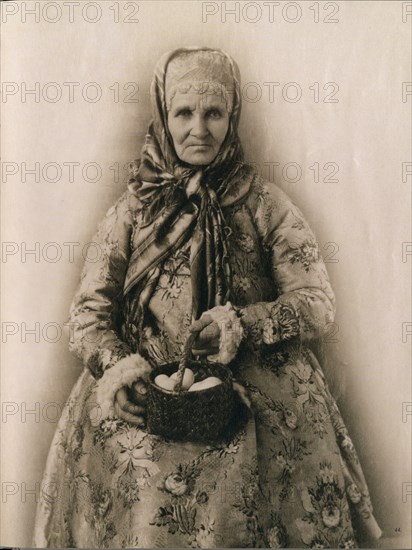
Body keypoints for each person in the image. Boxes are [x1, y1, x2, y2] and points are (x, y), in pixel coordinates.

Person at [33, 47, 382, 548]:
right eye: (184, 112)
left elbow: (316, 302)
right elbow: (88, 312)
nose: (200, 128)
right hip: (150, 378)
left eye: (213, 112)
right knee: (122, 447)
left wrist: (242, 324)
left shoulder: (264, 203)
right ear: (164, 115)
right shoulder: (134, 208)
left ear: (232, 115)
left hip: (253, 375)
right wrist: (119, 371)